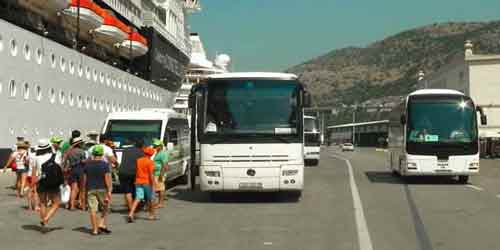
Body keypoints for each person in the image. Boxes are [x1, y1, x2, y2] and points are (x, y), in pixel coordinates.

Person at [83, 145, 112, 236]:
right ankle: (101, 223)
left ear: (93, 154)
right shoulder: (104, 165)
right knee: (105, 207)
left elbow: (84, 181)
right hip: (102, 189)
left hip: (90, 189)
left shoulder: (87, 165)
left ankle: (95, 230)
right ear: (102, 154)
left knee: (93, 210)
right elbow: (107, 179)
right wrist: (109, 190)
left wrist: (83, 192)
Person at [34, 139, 64, 228]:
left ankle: (44, 223)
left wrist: (32, 185)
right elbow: (60, 168)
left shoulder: (37, 158)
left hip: (41, 181)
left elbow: (35, 172)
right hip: (53, 182)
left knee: (43, 203)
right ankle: (46, 219)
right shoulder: (56, 155)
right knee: (56, 202)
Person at [127, 147, 157, 222]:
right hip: (147, 182)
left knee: (138, 198)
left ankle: (131, 213)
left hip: (138, 181)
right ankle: (151, 215)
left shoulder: (138, 160)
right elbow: (151, 174)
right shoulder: (150, 162)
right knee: (151, 199)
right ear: (151, 154)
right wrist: (153, 184)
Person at [119, 140, 144, 212]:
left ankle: (130, 209)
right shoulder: (141, 153)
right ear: (142, 146)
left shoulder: (125, 150)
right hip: (134, 172)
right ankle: (134, 208)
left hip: (122, 172)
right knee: (136, 189)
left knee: (127, 191)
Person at [63, 137, 87, 210]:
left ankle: (72, 205)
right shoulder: (81, 151)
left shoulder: (69, 151)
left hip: (72, 169)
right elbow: (83, 161)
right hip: (80, 169)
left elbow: (65, 161)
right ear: (79, 144)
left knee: (74, 188)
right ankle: (83, 206)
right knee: (82, 188)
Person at [152, 139, 169, 209]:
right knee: (158, 189)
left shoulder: (163, 153)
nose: (154, 147)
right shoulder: (158, 153)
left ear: (160, 146)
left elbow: (164, 165)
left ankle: (160, 203)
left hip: (159, 174)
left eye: (156, 146)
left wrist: (161, 175)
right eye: (154, 145)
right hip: (156, 173)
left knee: (160, 189)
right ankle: (159, 203)